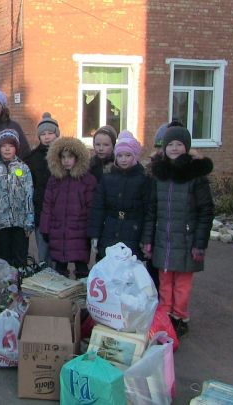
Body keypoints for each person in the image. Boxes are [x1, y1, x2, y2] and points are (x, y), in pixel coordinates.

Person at [142, 126, 214, 338]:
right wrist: (148, 239)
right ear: (164, 148)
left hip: (187, 239)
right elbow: (151, 210)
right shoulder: (159, 175)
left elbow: (206, 210)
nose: (174, 148)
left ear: (187, 148)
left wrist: (199, 243)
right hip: (163, 238)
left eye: (179, 144)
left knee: (182, 284)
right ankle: (165, 316)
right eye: (170, 144)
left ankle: (180, 317)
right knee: (165, 283)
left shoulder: (195, 175)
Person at [40, 136, 97, 279]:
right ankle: (62, 298)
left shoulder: (88, 180)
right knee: (60, 267)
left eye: (70, 157)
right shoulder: (54, 180)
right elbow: (47, 206)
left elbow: (92, 208)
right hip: (59, 230)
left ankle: (82, 294)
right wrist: (45, 229)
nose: (66, 161)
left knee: (82, 266)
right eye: (63, 157)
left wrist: (91, 231)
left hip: (80, 231)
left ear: (78, 158)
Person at [88, 131, 150, 260]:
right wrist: (95, 235)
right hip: (109, 230)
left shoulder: (143, 179)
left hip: (133, 231)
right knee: (107, 269)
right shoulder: (107, 178)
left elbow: (148, 211)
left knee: (129, 273)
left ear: (135, 156)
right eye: (120, 155)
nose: (123, 159)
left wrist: (145, 238)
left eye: (128, 155)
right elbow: (98, 208)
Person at [0, 129, 34, 268]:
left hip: (20, 222)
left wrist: (29, 219)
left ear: (16, 148)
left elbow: (29, 193)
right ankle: (5, 287)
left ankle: (20, 282)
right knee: (2, 258)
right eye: (4, 146)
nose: (7, 149)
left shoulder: (23, 168)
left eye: (11, 146)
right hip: (0, 223)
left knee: (20, 258)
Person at [24, 112, 60, 265]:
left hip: (60, 210)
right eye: (43, 134)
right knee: (43, 249)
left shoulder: (63, 155)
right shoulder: (32, 158)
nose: (47, 137)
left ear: (56, 134)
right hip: (40, 209)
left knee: (59, 250)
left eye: (50, 133)